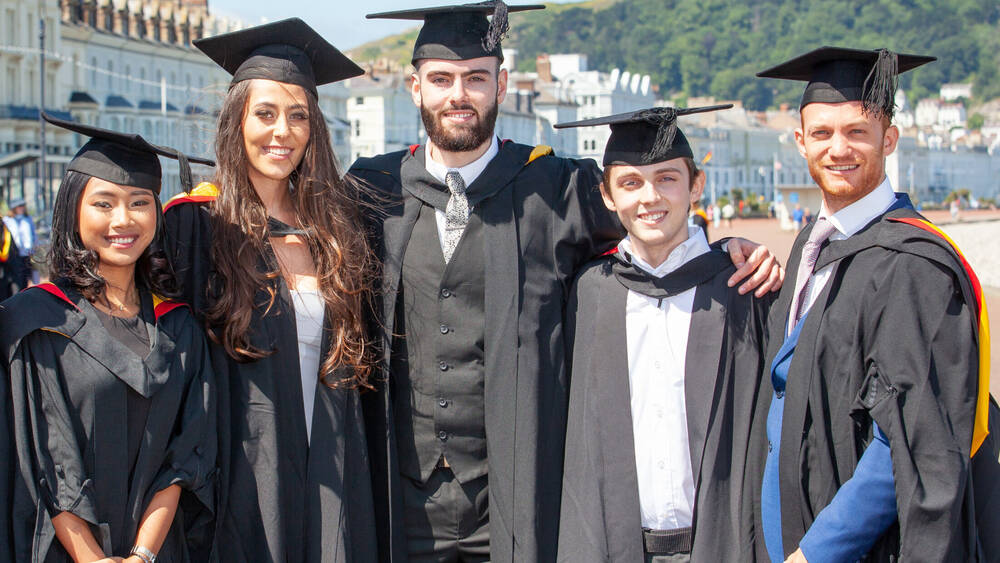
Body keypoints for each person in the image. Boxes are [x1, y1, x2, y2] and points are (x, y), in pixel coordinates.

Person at [353, 3, 783, 562]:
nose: (459, 94)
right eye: (441, 80)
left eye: (476, 78)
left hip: (517, 494)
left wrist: (724, 250)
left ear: (501, 85)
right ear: (415, 87)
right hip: (402, 497)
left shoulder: (557, 187)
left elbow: (650, 220)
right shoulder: (370, 190)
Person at [755, 46, 1000, 562]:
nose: (838, 148)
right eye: (822, 133)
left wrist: (819, 550)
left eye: (856, 132)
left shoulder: (912, 264)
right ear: (800, 141)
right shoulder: (810, 246)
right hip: (793, 530)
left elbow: (912, 437)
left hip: (859, 547)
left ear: (888, 138)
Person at [163, 18, 378, 562]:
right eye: (265, 113)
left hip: (330, 467)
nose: (281, 131)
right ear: (236, 120)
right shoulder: (198, 225)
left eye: (298, 115)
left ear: (314, 130)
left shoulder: (337, 229)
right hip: (239, 478)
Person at [554, 105, 775, 561]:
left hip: (724, 542)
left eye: (667, 178)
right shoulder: (590, 292)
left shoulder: (744, 287)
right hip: (617, 544)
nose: (649, 197)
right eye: (631, 182)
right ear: (609, 196)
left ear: (697, 185)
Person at [0, 113, 217, 562]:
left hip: (158, 550)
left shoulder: (178, 325)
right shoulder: (35, 320)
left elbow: (185, 457)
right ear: (72, 209)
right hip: (60, 550)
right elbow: (43, 457)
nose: (123, 219)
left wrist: (141, 555)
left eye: (139, 202)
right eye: (104, 203)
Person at [5, 197, 36, 286]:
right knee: (17, 278)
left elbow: (33, 235)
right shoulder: (7, 220)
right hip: (13, 254)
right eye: (19, 206)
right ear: (14, 208)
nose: (22, 208)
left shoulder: (27, 219)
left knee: (27, 277)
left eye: (23, 205)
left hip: (26, 253)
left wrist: (34, 248)